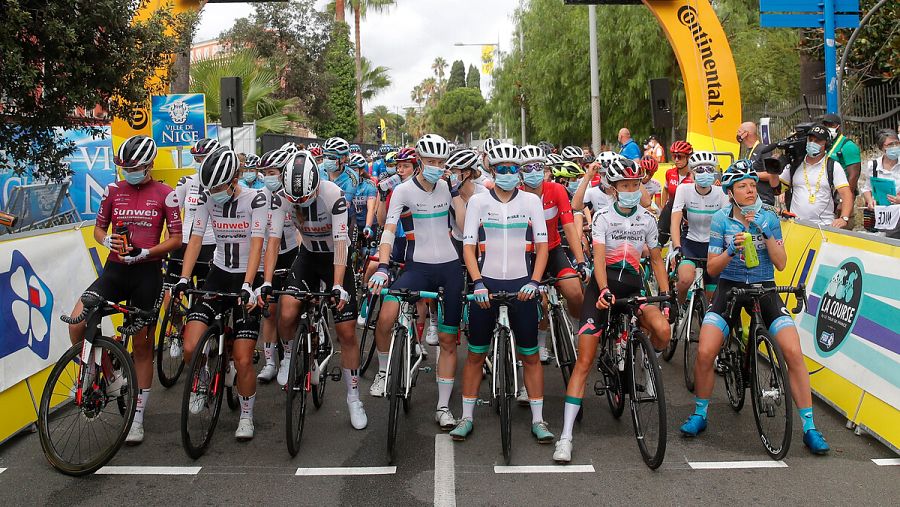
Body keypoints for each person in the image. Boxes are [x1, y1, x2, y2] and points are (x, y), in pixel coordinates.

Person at [679, 160, 830, 455]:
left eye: (752, 185)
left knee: (794, 353)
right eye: (742, 187)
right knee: (707, 351)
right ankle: (700, 414)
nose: (749, 191)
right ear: (731, 193)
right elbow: (711, 268)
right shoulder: (721, 219)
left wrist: (765, 230)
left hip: (765, 289)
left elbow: (782, 262)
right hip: (730, 288)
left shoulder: (769, 216)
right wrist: (731, 250)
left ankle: (810, 428)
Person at [553, 158, 671, 463]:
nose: (632, 190)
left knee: (662, 331)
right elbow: (601, 259)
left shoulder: (647, 219)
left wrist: (667, 294)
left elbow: (656, 260)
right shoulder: (604, 217)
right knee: (585, 361)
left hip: (633, 288)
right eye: (626, 186)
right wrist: (603, 290)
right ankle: (565, 436)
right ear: (614, 189)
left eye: (636, 185)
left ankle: (644, 359)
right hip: (602, 289)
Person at [67, 135, 182, 445]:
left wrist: (147, 252)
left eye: (134, 167)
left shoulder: (166, 194)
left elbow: (176, 238)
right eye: (123, 167)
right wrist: (107, 242)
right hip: (115, 270)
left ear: (149, 165)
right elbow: (98, 229)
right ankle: (92, 369)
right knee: (78, 320)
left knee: (143, 347)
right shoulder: (113, 191)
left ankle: (137, 417)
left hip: (147, 273)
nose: (127, 171)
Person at [448, 142, 553, 444]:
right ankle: (466, 417)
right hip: (487, 284)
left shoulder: (531, 202)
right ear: (493, 171)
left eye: (513, 169)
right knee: (475, 355)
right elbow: (468, 247)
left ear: (519, 172)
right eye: (502, 169)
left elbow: (543, 247)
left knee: (530, 356)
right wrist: (477, 282)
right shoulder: (479, 202)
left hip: (522, 283)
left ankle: (539, 419)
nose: (508, 174)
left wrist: (534, 282)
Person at [260, 150, 368, 429]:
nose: (300, 205)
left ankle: (353, 398)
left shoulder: (334, 195)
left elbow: (341, 242)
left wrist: (336, 286)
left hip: (334, 259)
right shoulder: (282, 196)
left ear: (317, 185)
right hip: (307, 256)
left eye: (305, 199)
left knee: (346, 332)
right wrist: (268, 281)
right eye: (296, 201)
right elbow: (273, 241)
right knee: (286, 311)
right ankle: (290, 358)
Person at [368, 134, 465, 432]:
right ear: (420, 161)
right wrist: (383, 267)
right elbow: (388, 230)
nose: (436, 167)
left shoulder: (449, 188)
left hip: (450, 267)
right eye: (431, 161)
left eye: (441, 162)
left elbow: (462, 228)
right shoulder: (403, 191)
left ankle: (443, 407)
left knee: (449, 341)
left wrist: (462, 191)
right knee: (386, 314)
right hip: (417, 266)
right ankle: (384, 372)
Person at [172, 146, 267, 441]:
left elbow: (256, 244)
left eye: (219, 186)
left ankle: (247, 414)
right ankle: (202, 376)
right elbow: (196, 239)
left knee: (242, 358)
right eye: (209, 187)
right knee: (190, 346)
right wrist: (184, 278)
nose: (213, 192)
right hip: (219, 273)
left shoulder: (256, 199)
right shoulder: (206, 197)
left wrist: (249, 285)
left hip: (247, 274)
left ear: (236, 178)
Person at [519, 144, 587, 363]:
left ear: (546, 169)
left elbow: (568, 226)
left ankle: (578, 329)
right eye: (528, 168)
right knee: (540, 302)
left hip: (553, 248)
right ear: (520, 172)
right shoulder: (516, 194)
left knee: (575, 291)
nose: (534, 172)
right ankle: (541, 341)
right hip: (528, 254)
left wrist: (580, 261)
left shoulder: (556, 190)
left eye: (538, 166)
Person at [253, 148, 298, 384]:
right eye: (264, 173)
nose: (267, 177)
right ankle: (270, 361)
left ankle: (289, 356)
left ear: (282, 174)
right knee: (269, 311)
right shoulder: (258, 196)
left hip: (291, 254)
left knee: (288, 312)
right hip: (266, 258)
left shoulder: (293, 195)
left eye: (271, 172)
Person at [670, 151, 727, 306]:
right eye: (700, 170)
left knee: (712, 297)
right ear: (692, 172)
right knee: (685, 279)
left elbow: (727, 224)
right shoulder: (684, 189)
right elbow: (675, 221)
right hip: (690, 243)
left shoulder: (721, 193)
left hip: (713, 246)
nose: (705, 173)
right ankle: (680, 307)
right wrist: (676, 247)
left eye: (709, 169)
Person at [779, 124, 853, 228]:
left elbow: (847, 195)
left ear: (826, 144)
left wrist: (844, 218)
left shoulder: (833, 166)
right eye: (810, 139)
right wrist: (774, 171)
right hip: (796, 225)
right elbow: (777, 190)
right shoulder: (794, 165)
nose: (812, 143)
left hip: (824, 226)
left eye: (817, 141)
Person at [860, 129, 900, 238]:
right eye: (891, 144)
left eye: (897, 143)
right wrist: (869, 200)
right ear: (882, 147)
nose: (895, 146)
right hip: (883, 216)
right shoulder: (873, 166)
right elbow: (867, 187)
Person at [658, 140, 694, 245]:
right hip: (672, 208)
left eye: (680, 157)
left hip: (688, 210)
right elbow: (665, 189)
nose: (677, 160)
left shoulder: (694, 175)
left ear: (688, 157)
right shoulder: (670, 173)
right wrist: (662, 206)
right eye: (674, 157)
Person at [736, 121, 779, 205]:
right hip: (751, 199)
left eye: (739, 131)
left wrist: (750, 174)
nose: (737, 134)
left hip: (764, 199)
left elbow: (771, 174)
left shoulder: (763, 150)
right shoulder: (748, 151)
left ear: (746, 134)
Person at [821, 113, 862, 195]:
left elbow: (853, 176)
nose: (828, 128)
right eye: (826, 125)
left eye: (831, 125)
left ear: (838, 127)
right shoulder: (824, 144)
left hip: (840, 192)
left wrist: (844, 199)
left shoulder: (848, 146)